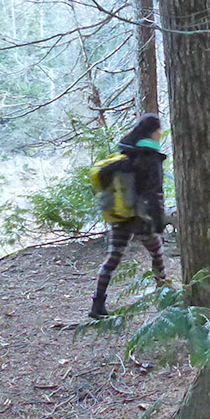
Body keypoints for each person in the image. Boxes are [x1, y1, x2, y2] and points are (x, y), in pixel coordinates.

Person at [89, 114, 168, 319]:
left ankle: (97, 304)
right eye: (159, 129)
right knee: (157, 253)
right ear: (153, 132)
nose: (161, 133)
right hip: (141, 218)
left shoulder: (126, 153)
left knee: (113, 258)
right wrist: (159, 221)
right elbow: (154, 192)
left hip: (120, 215)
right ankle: (164, 296)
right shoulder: (150, 157)